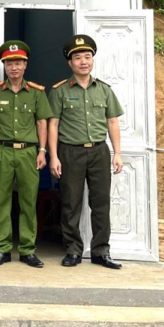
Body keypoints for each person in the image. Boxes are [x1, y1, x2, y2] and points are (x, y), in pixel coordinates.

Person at [48, 34, 124, 270]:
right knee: (71, 203)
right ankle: (72, 250)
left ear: (92, 60)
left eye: (87, 56)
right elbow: (53, 124)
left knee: (101, 203)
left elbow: (112, 122)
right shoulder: (59, 90)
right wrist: (54, 156)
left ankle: (101, 251)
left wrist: (117, 153)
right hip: (71, 152)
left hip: (99, 152)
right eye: (78, 57)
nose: (83, 61)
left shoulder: (104, 90)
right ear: (70, 63)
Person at [0, 40, 53, 268]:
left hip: (28, 153)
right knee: (1, 200)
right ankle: (2, 249)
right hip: (1, 151)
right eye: (9, 63)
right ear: (4, 65)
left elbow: (42, 122)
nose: (14, 67)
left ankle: (27, 249)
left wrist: (42, 151)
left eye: (18, 63)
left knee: (28, 201)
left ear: (25, 65)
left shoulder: (36, 92)